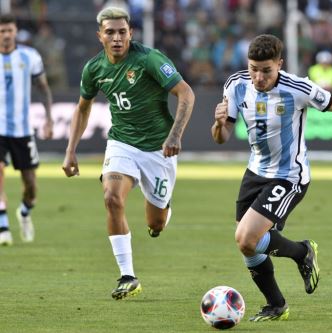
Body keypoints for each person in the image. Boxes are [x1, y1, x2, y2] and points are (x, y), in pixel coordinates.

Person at [211, 34, 332, 321]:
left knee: (246, 238)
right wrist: (218, 124)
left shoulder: (298, 88)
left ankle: (302, 252)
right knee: (247, 244)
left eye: (266, 70)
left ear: (280, 64)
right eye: (253, 68)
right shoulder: (236, 85)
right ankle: (276, 304)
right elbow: (221, 137)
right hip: (255, 172)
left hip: (289, 175)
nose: (258, 77)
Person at [62, 7, 195, 300]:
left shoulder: (149, 59)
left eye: (122, 32)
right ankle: (128, 275)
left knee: (155, 223)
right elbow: (82, 108)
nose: (117, 37)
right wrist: (71, 150)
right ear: (100, 36)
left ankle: (162, 209)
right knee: (111, 198)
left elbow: (186, 94)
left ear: (131, 33)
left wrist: (175, 135)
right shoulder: (94, 68)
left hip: (159, 149)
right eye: (110, 32)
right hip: (122, 143)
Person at [0, 14, 53, 246]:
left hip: (23, 130)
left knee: (30, 186)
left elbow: (43, 88)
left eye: (9, 30)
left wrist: (49, 119)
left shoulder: (29, 56)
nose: (6, 35)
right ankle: (2, 225)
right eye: (2, 31)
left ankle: (24, 212)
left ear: (16, 31)